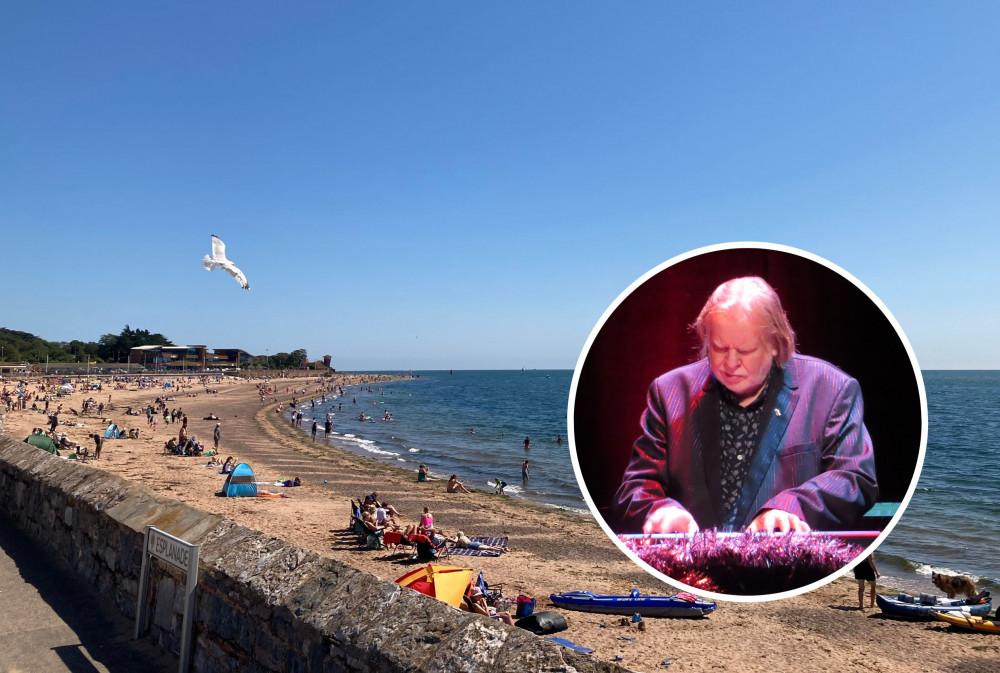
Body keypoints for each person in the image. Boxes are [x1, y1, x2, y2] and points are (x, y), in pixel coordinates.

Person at [615, 276, 878, 535]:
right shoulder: (669, 391)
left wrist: (791, 508)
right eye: (718, 348)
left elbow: (855, 478)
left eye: (744, 351)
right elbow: (636, 486)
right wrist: (659, 510)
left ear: (776, 344)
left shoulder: (832, 388)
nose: (730, 364)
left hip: (790, 572)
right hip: (691, 571)